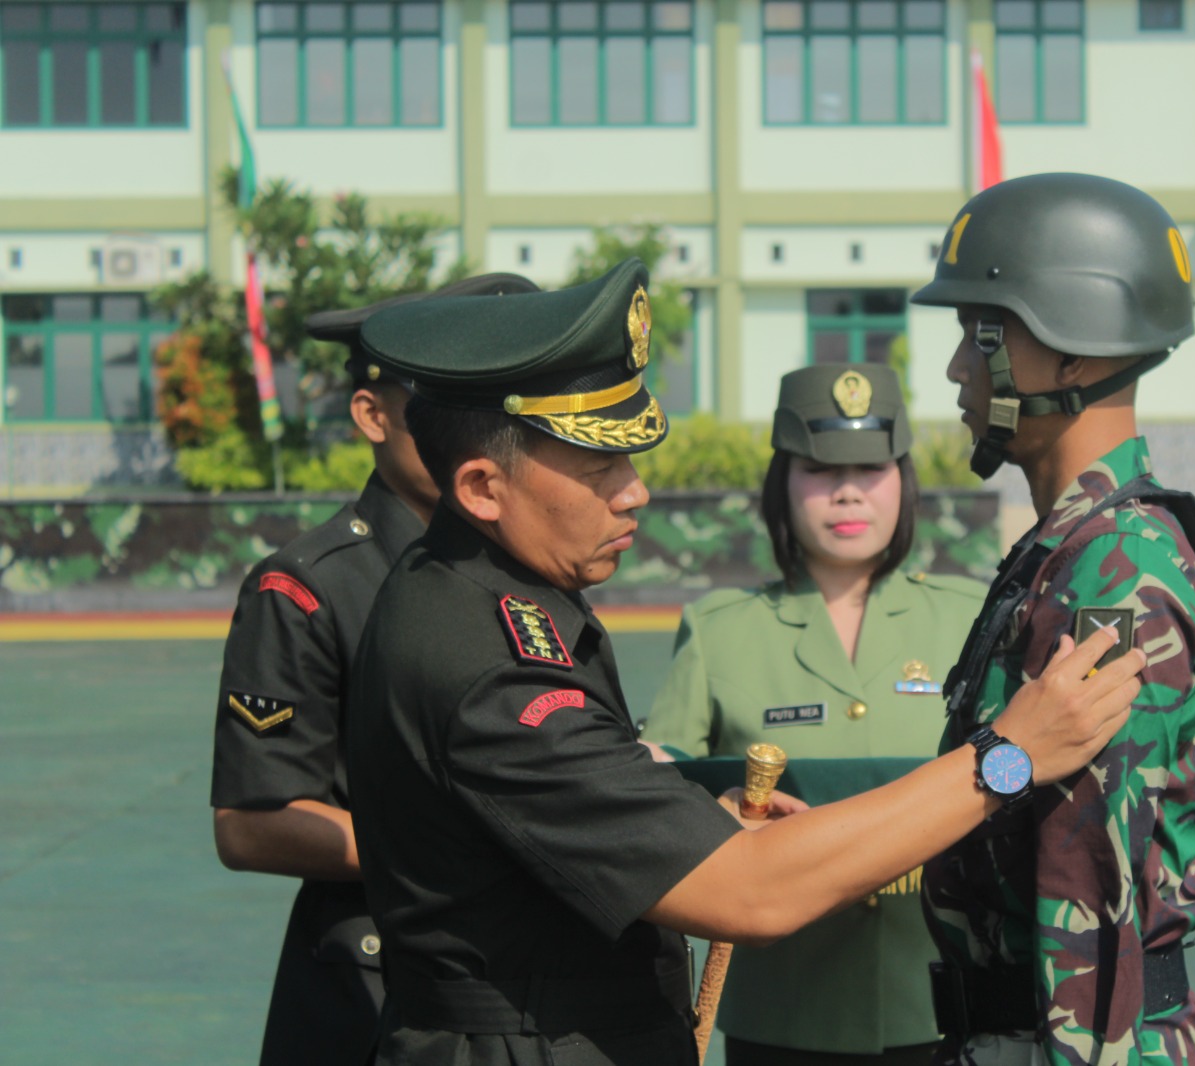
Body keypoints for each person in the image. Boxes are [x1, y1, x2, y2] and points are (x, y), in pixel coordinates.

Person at [343, 257, 1145, 1066]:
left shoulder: (488, 595)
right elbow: (752, 892)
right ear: (483, 487)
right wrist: (1008, 758)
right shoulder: (495, 661)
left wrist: (693, 825)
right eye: (599, 469)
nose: (634, 492)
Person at [911, 172, 1195, 1065]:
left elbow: (1090, 897)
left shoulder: (1112, 576)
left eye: (981, 334)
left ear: (1073, 358)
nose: (957, 368)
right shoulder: (1075, 549)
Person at [209, 273, 540, 1066]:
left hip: (528, 985)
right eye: (448, 399)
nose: (481, 428)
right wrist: (469, 852)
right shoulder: (309, 586)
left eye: (500, 403)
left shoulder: (531, 571)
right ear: (371, 415)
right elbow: (252, 821)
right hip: (380, 994)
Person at [642, 362, 984, 1065]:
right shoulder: (719, 630)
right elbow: (661, 799)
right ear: (783, 482)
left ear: (903, 479)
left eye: (871, 468)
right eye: (821, 470)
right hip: (783, 1011)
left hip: (941, 1004)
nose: (847, 490)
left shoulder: (969, 618)